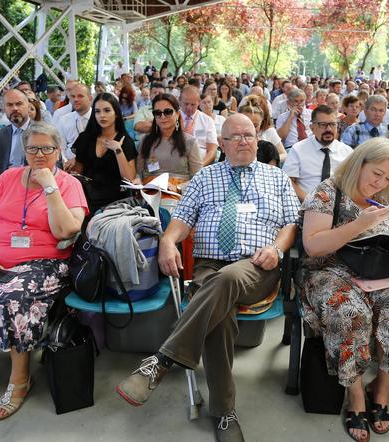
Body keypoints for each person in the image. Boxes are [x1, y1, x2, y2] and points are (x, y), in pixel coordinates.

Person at [116, 114, 300, 442]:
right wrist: (168, 241)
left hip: (258, 266)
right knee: (220, 314)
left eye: (249, 135)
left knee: (227, 280)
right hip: (207, 266)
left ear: (257, 140)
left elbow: (290, 224)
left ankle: (162, 360)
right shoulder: (204, 178)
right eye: (235, 136)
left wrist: (277, 249)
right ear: (223, 144)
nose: (244, 141)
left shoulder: (277, 178)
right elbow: (183, 218)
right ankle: (224, 413)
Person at [0, 122, 88, 420]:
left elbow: (67, 230)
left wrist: (49, 187)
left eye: (47, 148)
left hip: (45, 263)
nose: (39, 154)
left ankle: (19, 381)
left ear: (59, 150)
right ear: (23, 150)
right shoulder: (7, 178)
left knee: (12, 298)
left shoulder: (69, 184)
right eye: (32, 148)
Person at [300, 138, 389, 441]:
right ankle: (356, 397)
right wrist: (358, 225)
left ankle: (380, 393)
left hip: (377, 271)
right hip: (328, 270)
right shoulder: (327, 191)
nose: (381, 182)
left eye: (388, 177)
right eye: (376, 174)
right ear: (359, 164)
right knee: (350, 312)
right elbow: (313, 246)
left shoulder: (386, 197)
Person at [72, 93, 137, 212]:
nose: (102, 115)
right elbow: (77, 173)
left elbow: (129, 178)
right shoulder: (85, 138)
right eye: (97, 111)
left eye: (107, 110)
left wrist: (118, 150)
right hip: (87, 199)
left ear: (116, 113)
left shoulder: (125, 141)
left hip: (116, 203)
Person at [283, 105, 353, 201]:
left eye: (332, 124)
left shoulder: (347, 152)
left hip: (339, 206)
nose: (328, 129)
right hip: (306, 205)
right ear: (312, 127)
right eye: (323, 125)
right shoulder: (298, 149)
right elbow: (289, 180)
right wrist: (308, 202)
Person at [137, 93, 202, 193]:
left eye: (167, 112)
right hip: (149, 193)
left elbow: (198, 179)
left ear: (178, 114)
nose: (162, 116)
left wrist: (179, 188)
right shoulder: (145, 141)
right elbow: (139, 173)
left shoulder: (190, 142)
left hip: (177, 195)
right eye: (158, 113)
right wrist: (137, 180)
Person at [238, 94, 286, 162]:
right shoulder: (234, 134)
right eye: (247, 124)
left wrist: (268, 162)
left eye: (255, 125)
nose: (251, 129)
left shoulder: (269, 131)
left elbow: (283, 154)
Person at [179, 86, 218, 166]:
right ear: (179, 101)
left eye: (193, 104)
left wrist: (199, 167)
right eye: (186, 104)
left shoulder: (207, 121)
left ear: (199, 102)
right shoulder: (170, 118)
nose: (189, 108)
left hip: (201, 163)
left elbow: (212, 151)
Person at [57, 83, 92, 169]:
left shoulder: (98, 119)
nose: (75, 99)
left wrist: (78, 160)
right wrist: (66, 163)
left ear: (90, 98)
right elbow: (60, 147)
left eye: (80, 96)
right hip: (68, 169)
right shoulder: (63, 120)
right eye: (72, 96)